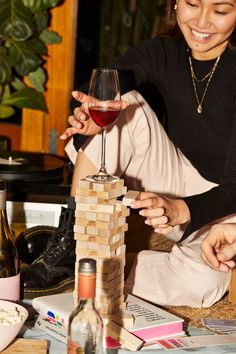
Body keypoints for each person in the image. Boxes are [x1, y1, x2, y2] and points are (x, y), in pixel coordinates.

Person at [22, 0, 236, 307]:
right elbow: (103, 82)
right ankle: (74, 240)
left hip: (229, 206)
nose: (202, 22)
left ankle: (99, 266)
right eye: (192, 3)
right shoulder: (164, 51)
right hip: (179, 179)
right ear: (175, 4)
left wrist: (181, 209)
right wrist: (88, 114)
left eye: (220, 11)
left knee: (202, 285)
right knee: (120, 104)